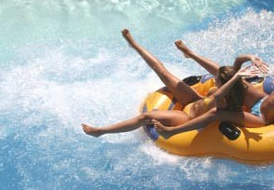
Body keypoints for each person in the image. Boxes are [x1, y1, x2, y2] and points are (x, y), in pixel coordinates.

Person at [154, 8, 274, 138]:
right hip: (260, 100)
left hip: (260, 118)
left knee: (217, 113)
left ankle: (172, 132)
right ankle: (191, 54)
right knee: (229, 75)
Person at [81, 29, 249, 137]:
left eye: (217, 79)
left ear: (225, 84)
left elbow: (222, 96)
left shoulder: (223, 100)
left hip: (187, 117)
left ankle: (102, 131)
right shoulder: (225, 89)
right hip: (193, 100)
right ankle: (134, 45)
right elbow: (228, 70)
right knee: (162, 71)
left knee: (145, 116)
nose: (214, 78)